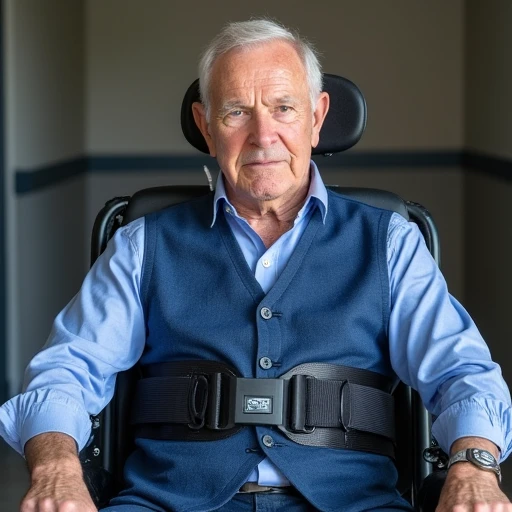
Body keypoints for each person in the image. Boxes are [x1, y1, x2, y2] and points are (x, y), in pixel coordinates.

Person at [1, 18, 511, 512]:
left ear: (317, 118)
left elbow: (461, 372)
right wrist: (56, 466)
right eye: (236, 112)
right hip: (169, 502)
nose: (263, 136)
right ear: (205, 126)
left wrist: (473, 467)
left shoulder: (391, 243)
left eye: (284, 108)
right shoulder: (142, 244)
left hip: (352, 504)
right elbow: (66, 370)